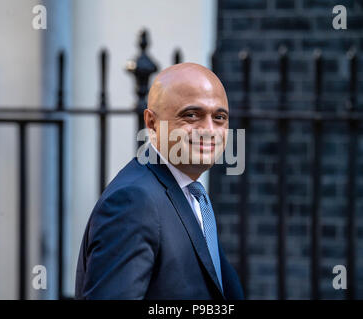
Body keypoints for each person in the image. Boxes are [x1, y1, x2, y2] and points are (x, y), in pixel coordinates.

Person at [75, 62, 244, 300]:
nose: (209, 129)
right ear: (152, 123)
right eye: (192, 115)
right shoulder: (134, 201)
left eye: (219, 117)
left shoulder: (193, 194)